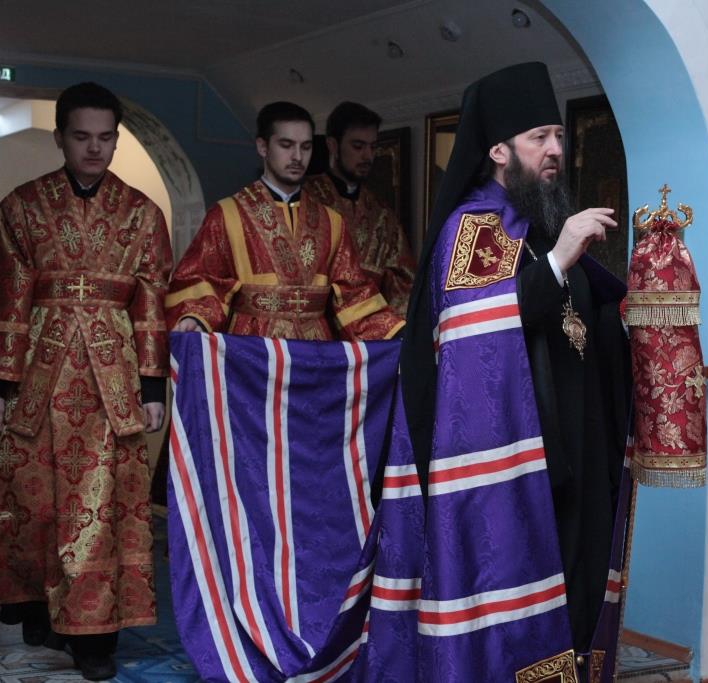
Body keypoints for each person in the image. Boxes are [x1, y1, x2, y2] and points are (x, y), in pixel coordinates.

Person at [393, 62, 631, 680]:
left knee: (579, 593)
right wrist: (556, 262)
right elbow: (475, 335)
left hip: (577, 441)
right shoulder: (475, 225)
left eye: (559, 136)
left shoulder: (543, 222)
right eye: (538, 138)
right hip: (524, 454)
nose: (555, 150)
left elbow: (585, 317)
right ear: (498, 150)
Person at [0, 82, 172, 681]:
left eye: (106, 137)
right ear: (60, 137)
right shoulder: (21, 207)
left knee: (104, 508)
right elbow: (5, 297)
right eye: (82, 136)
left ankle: (96, 637)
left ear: (116, 139)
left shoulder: (142, 213)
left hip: (112, 382)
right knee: (36, 501)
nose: (95, 148)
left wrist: (152, 388)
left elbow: (152, 304)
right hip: (38, 377)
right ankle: (39, 609)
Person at [166, 101, 404, 340]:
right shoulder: (227, 215)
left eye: (306, 147)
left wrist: (395, 331)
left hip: (315, 349)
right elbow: (201, 278)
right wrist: (195, 317)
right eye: (286, 145)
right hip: (252, 348)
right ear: (263, 147)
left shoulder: (332, 222)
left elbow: (354, 293)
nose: (298, 157)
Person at [305, 102, 416, 315]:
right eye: (358, 146)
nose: (367, 156)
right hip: (316, 325)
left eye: (372, 147)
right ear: (333, 145)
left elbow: (404, 286)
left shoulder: (383, 215)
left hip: (370, 328)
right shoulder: (306, 200)